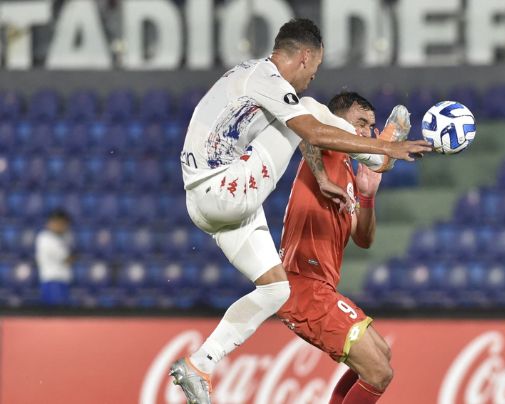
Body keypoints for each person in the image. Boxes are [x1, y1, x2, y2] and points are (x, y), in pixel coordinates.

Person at [169, 18, 431, 404]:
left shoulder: (252, 78)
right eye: (317, 68)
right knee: (306, 112)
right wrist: (387, 149)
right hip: (223, 187)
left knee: (275, 289)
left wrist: (325, 176)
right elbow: (310, 129)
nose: (313, 76)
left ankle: (199, 365)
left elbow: (361, 232)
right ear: (305, 57)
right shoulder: (268, 78)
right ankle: (376, 151)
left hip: (215, 204)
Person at [278, 91, 403, 404]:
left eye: (370, 127)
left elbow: (364, 239)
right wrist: (320, 177)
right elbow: (309, 129)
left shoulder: (348, 172)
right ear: (338, 118)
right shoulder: (324, 144)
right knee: (378, 373)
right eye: (360, 122)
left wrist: (367, 195)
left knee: (382, 357)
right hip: (302, 285)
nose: (365, 133)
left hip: (322, 289)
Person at [35, 209, 75, 306]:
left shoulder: (64, 237)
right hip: (52, 281)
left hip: (62, 281)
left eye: (64, 223)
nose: (61, 226)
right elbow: (67, 259)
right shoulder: (45, 238)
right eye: (58, 222)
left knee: (63, 316)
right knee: (55, 314)